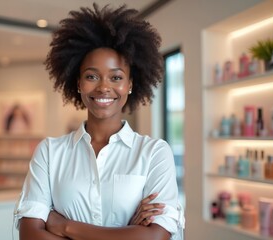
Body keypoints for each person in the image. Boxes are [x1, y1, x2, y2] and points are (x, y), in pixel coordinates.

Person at [14, 3, 185, 240]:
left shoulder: (155, 153)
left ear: (131, 84)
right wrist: (127, 231)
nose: (104, 87)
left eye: (116, 77)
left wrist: (66, 227)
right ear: (78, 83)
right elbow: (30, 235)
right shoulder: (49, 153)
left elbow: (156, 237)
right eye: (91, 76)